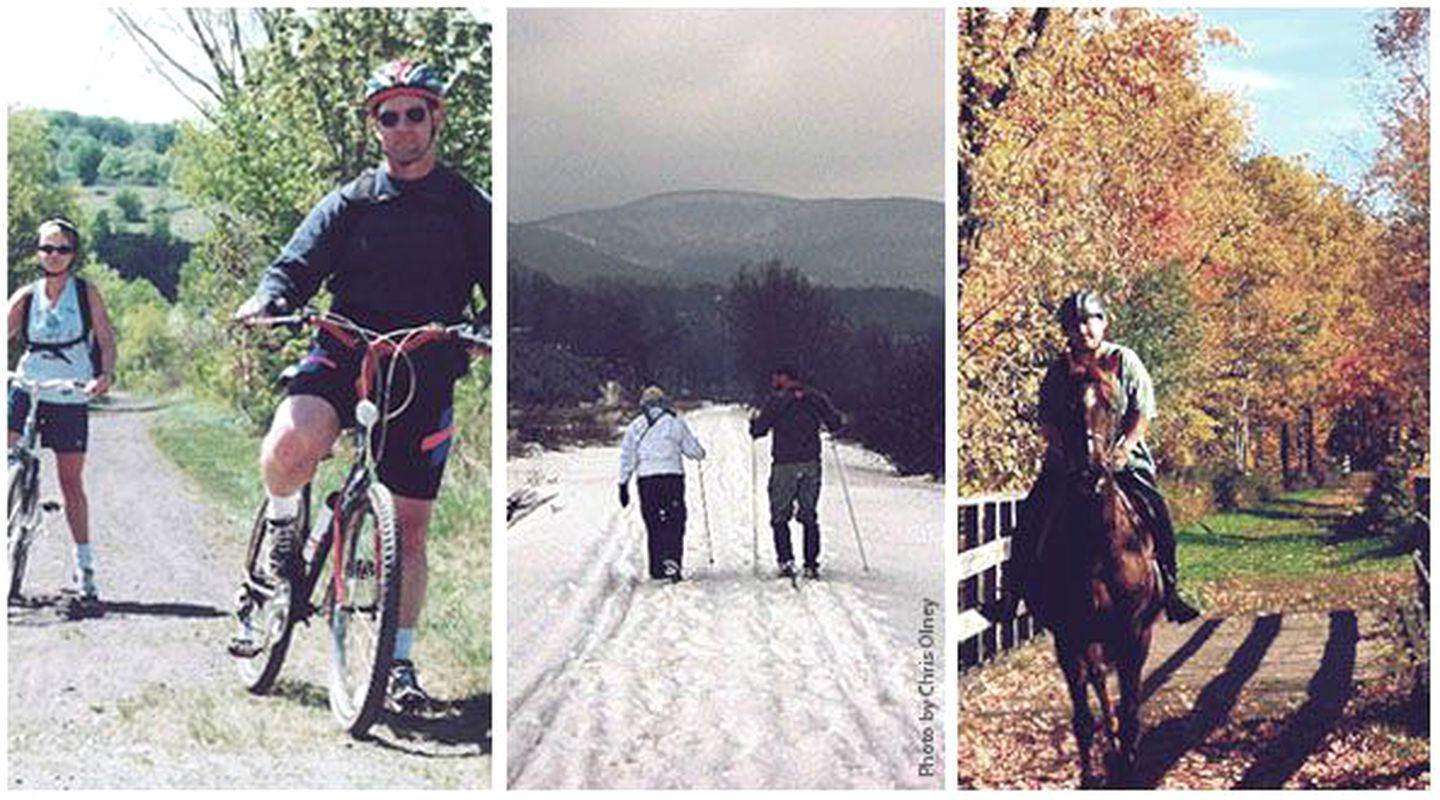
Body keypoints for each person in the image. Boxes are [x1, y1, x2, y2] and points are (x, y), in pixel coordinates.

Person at [228, 58, 492, 710]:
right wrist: (268, 298)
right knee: (292, 444)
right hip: (343, 353)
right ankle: (278, 548)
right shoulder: (353, 201)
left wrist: (489, 329)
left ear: (436, 119)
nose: (401, 128)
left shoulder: (467, 206)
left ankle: (396, 667)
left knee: (409, 528)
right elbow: (295, 264)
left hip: (424, 368)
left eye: (414, 114)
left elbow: (503, 291)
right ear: (375, 126)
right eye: (388, 116)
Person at [990, 290, 1200, 624]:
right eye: (1075, 324)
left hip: (1123, 463)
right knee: (1032, 515)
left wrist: (1124, 449)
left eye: (1089, 321)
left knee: (1157, 512)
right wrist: (1062, 449)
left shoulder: (1124, 361)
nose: (1083, 329)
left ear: (1103, 322)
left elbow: (1142, 412)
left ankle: (1171, 589)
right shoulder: (1059, 371)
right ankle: (1012, 593)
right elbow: (1046, 419)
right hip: (1068, 465)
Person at [6, 218, 118, 602]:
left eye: (62, 249)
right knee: (7, 457)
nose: (53, 256)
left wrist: (104, 375)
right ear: (37, 252)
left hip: (69, 389)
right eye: (47, 248)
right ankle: (13, 503)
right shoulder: (25, 295)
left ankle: (84, 568)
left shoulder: (86, 293)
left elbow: (104, 337)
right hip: (28, 383)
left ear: (73, 253)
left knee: (71, 481)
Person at [749, 365, 842, 580]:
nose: (774, 380)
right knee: (809, 514)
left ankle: (786, 561)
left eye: (776, 377)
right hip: (811, 463)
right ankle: (811, 563)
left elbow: (759, 430)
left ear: (785, 378)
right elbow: (835, 423)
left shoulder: (776, 400)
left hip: (785, 463)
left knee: (780, 514)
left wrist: (754, 424)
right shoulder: (816, 397)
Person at [617, 386, 706, 582]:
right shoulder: (675, 422)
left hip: (647, 480)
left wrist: (623, 484)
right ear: (663, 402)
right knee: (675, 520)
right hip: (672, 478)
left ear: (643, 404)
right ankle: (673, 561)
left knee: (653, 522)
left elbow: (627, 457)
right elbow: (693, 450)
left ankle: (657, 567)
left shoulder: (636, 426)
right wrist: (700, 452)